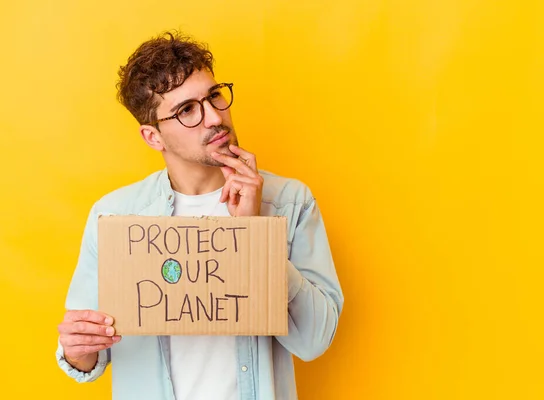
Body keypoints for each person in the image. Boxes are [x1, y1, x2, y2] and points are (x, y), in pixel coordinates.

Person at [55, 31, 343, 400]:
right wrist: (78, 351)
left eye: (214, 96)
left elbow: (316, 340)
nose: (213, 118)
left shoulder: (289, 202)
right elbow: (90, 355)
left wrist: (254, 234)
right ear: (153, 137)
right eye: (187, 110)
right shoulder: (113, 217)